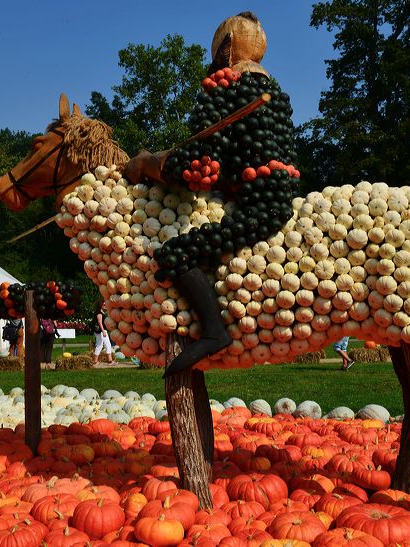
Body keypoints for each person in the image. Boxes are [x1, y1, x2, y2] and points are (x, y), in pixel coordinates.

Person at [123, 12, 298, 378]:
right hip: (276, 196)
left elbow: (197, 168)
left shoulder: (226, 86)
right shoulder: (274, 94)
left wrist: (147, 163)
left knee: (174, 253)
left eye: (217, 50)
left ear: (227, 48)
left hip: (261, 207)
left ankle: (213, 331)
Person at [92, 302, 114, 366]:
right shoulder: (99, 313)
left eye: (106, 304)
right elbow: (99, 322)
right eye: (104, 305)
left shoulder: (102, 312)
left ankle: (110, 361)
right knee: (100, 345)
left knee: (108, 345)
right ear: (100, 305)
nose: (105, 306)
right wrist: (103, 331)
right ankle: (95, 362)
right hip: (101, 331)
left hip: (102, 331)